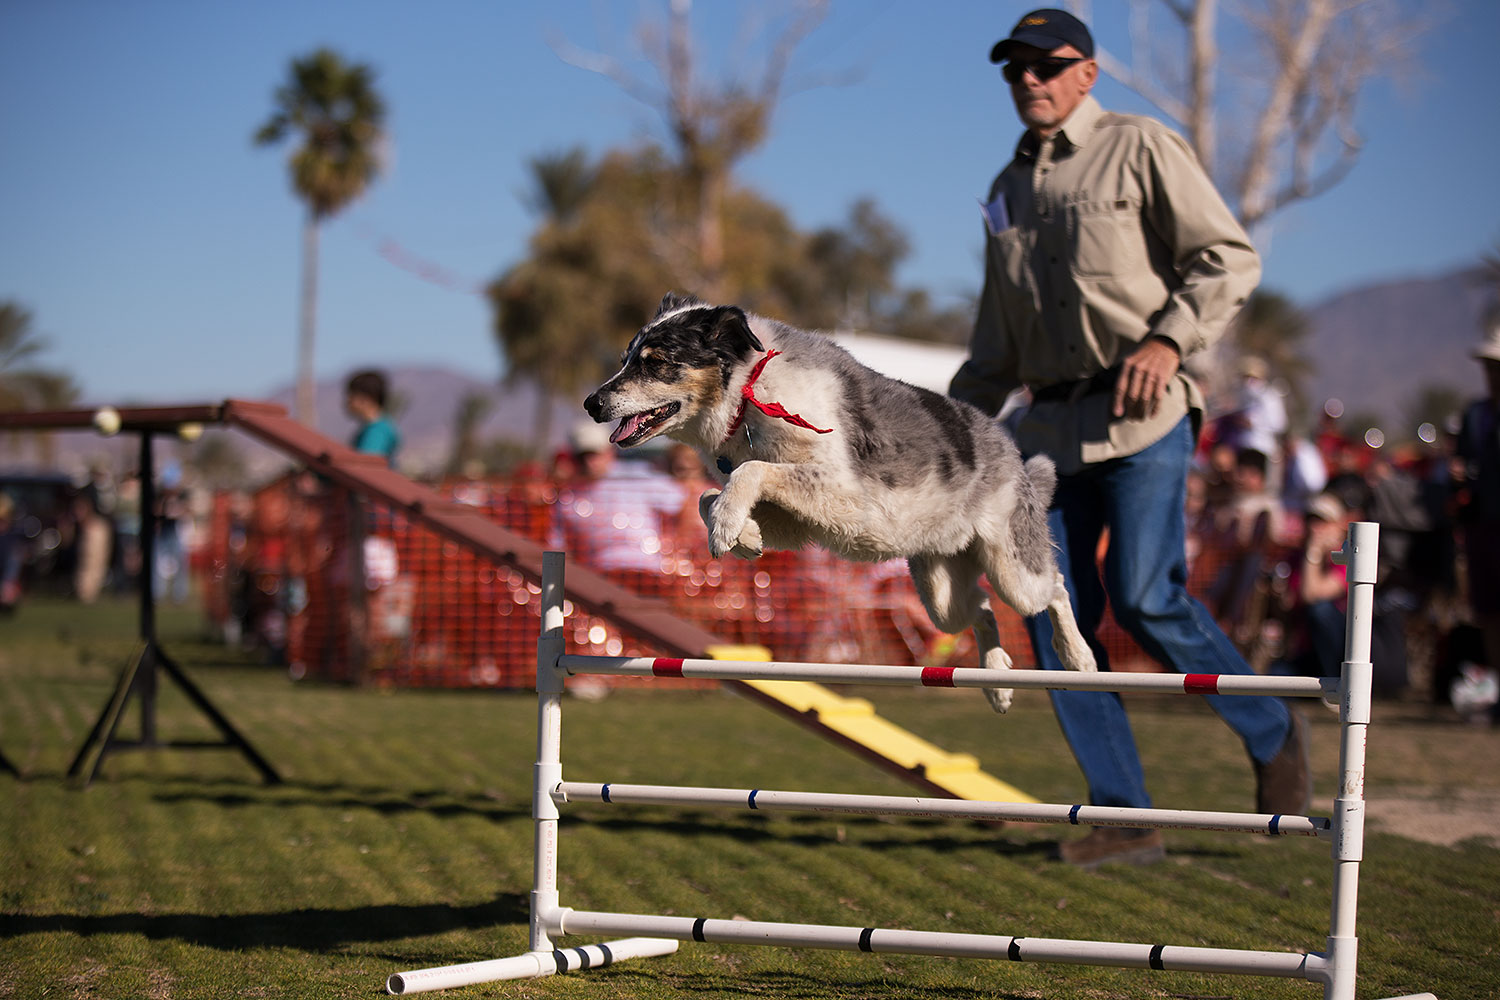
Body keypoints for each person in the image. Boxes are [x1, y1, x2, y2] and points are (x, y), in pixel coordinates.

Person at [948, 8, 1309, 867]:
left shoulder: (1141, 145)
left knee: (1144, 592)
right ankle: (1125, 815)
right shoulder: (1005, 189)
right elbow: (996, 348)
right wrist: (938, 428)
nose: (1028, 79)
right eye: (1014, 68)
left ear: (1087, 73)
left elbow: (1227, 257)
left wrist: (1168, 339)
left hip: (1143, 413)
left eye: (1046, 64)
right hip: (1046, 436)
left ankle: (1273, 730)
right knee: (1048, 609)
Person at [1454, 321, 1500, 722]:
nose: (1492, 373)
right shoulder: (1475, 413)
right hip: (1482, 524)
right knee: (1486, 610)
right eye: (1488, 366)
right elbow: (1462, 459)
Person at [344, 369, 400, 467]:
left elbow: (366, 466)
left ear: (365, 398)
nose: (347, 401)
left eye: (351, 395)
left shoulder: (377, 431)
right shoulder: (378, 427)